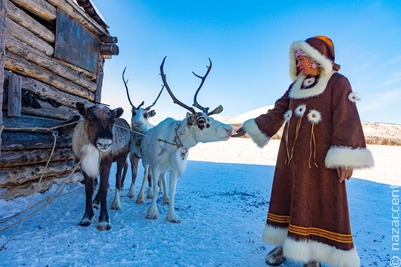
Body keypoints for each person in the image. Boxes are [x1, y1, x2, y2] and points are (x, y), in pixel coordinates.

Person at [233, 36, 374, 267]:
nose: (297, 64)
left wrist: (346, 157)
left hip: (320, 161)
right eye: (296, 59)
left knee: (318, 203)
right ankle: (285, 245)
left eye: (301, 59)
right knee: (287, 200)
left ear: (317, 58)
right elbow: (277, 112)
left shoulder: (338, 83)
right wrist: (250, 128)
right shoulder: (294, 86)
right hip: (290, 159)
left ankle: (313, 255)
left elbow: (347, 119)